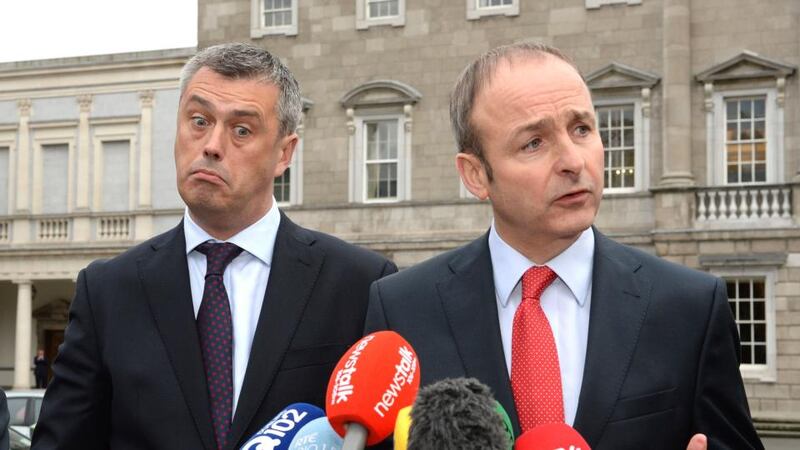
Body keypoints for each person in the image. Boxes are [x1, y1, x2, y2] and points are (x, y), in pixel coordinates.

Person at [365, 43, 762, 450]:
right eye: (533, 143)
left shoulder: (690, 305)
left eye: (582, 129)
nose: (573, 161)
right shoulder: (401, 308)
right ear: (475, 175)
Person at [32, 43, 396, 450]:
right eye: (199, 120)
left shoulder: (361, 285)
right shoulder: (107, 291)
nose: (211, 145)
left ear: (284, 153)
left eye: (242, 129)